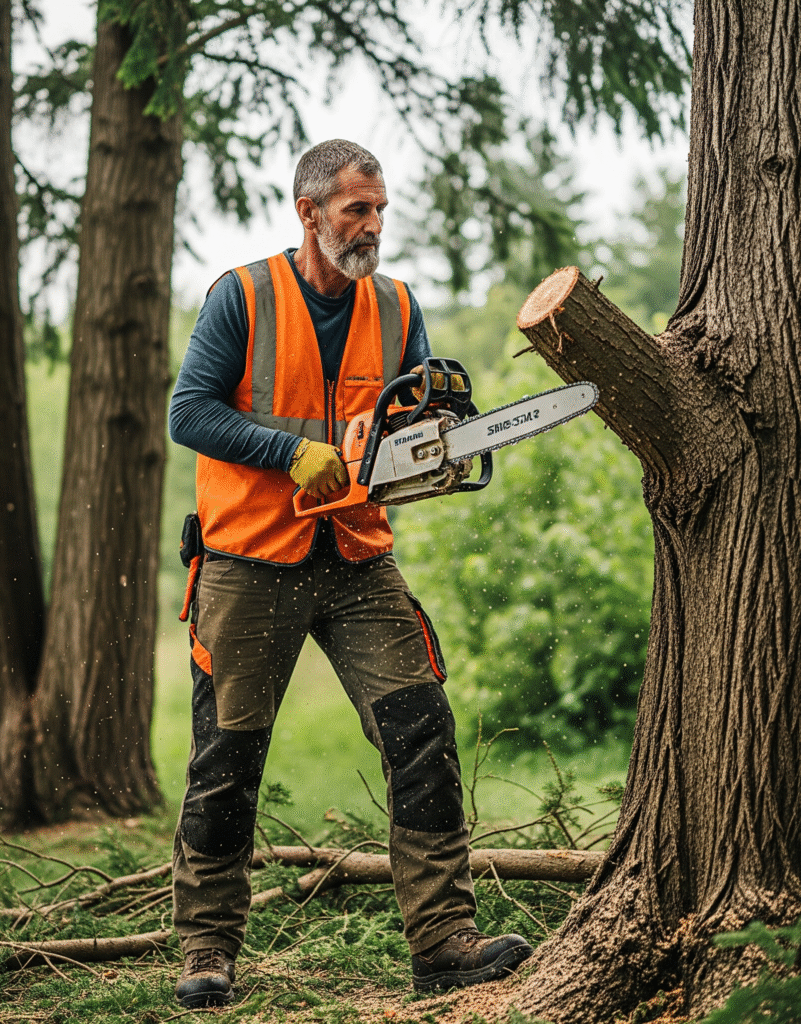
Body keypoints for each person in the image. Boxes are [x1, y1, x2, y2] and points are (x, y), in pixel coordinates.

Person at [167, 139, 531, 1009]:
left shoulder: (397, 303)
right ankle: (207, 950)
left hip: (359, 556)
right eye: (354, 211)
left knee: (421, 732)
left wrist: (434, 444)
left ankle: (444, 941)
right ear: (308, 212)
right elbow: (190, 411)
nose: (371, 226)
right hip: (249, 557)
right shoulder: (243, 297)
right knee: (228, 758)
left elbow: (416, 414)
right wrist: (289, 453)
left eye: (379, 210)